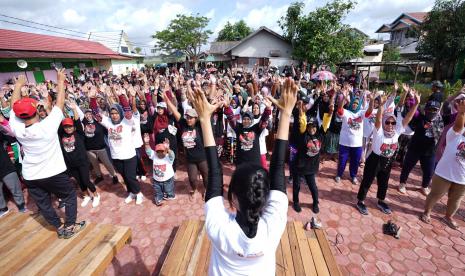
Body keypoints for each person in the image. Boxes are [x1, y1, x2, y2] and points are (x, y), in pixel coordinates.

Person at [189, 77, 297, 276]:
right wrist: (286, 113)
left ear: (233, 198)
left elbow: (214, 175)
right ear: (265, 197)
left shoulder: (219, 229)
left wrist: (204, 119)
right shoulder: (273, 226)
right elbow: (278, 168)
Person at [9, 70, 85, 239]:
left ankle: (59, 227)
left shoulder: (17, 127)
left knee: (43, 203)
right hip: (52, 173)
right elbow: (59, 102)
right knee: (70, 195)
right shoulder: (47, 126)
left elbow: (13, 106)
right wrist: (60, 80)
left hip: (30, 175)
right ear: (36, 110)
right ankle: (71, 226)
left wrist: (18, 85)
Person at [356, 92, 420, 215]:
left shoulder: (396, 132)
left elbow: (408, 118)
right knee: (367, 181)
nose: (390, 125)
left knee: (384, 182)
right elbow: (379, 119)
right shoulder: (378, 132)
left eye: (393, 123)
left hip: (388, 160)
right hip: (375, 159)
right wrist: (381, 105)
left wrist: (416, 104)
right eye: (388, 122)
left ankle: (380, 200)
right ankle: (360, 201)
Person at [89, 87, 143, 204]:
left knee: (130, 177)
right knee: (124, 176)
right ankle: (131, 192)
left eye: (116, 113)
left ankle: (138, 193)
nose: (114, 115)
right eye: (112, 113)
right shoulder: (108, 122)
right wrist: (92, 98)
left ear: (120, 113)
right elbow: (95, 114)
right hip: (116, 156)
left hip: (129, 156)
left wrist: (121, 97)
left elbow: (128, 111)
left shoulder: (127, 121)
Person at [421, 98, 465, 230]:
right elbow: (458, 126)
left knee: (456, 200)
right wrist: (462, 113)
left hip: (462, 177)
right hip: (444, 172)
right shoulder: (455, 133)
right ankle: (427, 212)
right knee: (435, 194)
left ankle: (448, 217)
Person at [398, 100, 444, 195]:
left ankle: (424, 186)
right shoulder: (420, 117)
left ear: (438, 110)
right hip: (414, 148)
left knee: (429, 171)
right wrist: (415, 102)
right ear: (426, 109)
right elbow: (413, 112)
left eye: (434, 109)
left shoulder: (440, 121)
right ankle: (402, 183)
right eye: (430, 109)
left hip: (430, 151)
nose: (432, 111)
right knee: (407, 167)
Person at [59, 113, 100, 208]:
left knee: (85, 180)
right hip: (71, 164)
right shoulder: (62, 135)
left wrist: (74, 109)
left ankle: (96, 195)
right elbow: (57, 124)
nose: (68, 128)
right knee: (80, 181)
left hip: (82, 163)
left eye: (70, 126)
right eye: (66, 127)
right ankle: (86, 196)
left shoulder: (79, 134)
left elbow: (77, 121)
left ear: (74, 127)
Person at [144, 134, 175, 206]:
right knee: (158, 191)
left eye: (162, 151)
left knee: (168, 190)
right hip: (156, 180)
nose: (160, 153)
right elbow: (148, 151)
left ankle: (170, 195)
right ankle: (159, 199)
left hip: (168, 180)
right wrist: (146, 143)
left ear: (165, 151)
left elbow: (172, 154)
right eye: (158, 151)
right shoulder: (154, 156)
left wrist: (168, 148)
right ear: (156, 152)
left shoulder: (168, 157)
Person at [0, 131, 26, 217]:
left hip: (5, 165)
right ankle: (3, 208)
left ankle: (21, 205)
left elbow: (11, 138)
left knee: (14, 186)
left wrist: (13, 156)